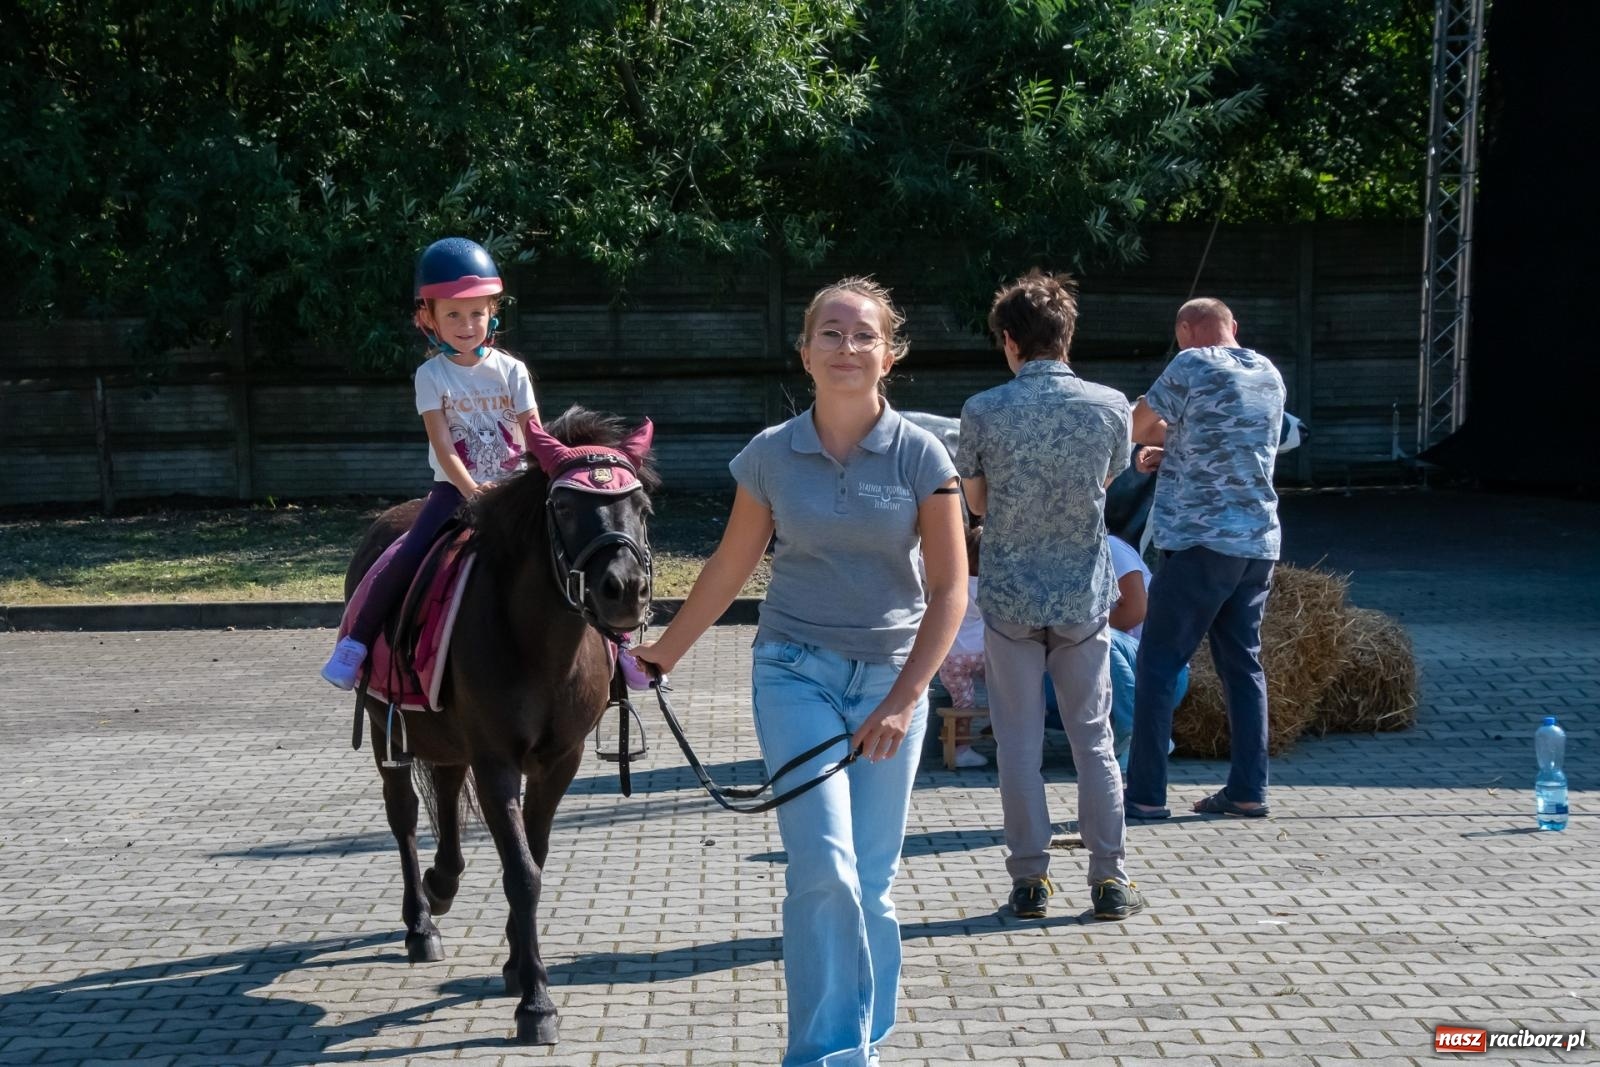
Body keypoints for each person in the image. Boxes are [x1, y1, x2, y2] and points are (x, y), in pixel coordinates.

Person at [632, 277, 965, 1067]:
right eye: (831, 333)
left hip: (892, 680)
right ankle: (826, 1057)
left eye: (863, 335)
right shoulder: (771, 455)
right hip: (794, 673)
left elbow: (952, 590)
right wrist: (661, 652)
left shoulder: (923, 453)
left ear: (891, 353)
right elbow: (729, 566)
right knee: (824, 867)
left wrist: (905, 697)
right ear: (805, 350)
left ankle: (865, 1039)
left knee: (872, 883)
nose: (847, 348)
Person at [956, 269, 1145, 923]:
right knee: (1093, 739)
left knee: (1017, 743)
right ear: (1067, 336)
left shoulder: (982, 410)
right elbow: (1110, 479)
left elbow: (975, 501)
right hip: (1083, 596)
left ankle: (1030, 880)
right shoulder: (1111, 405)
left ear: (1010, 341)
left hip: (1009, 595)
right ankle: (1109, 878)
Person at [319, 237, 539, 689]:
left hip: (516, 489)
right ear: (428, 318)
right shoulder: (431, 376)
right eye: (453, 314)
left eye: (477, 312)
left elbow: (534, 431)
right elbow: (443, 445)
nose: (467, 324)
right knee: (407, 553)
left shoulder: (512, 370)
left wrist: (549, 475)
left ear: (493, 312)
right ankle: (356, 643)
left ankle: (615, 652)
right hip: (455, 490)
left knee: (573, 550)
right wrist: (473, 491)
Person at [1123, 297, 1286, 820]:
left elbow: (1138, 425)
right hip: (1256, 543)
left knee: (1158, 663)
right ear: (1233, 327)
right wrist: (1175, 453)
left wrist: (1158, 440)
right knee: (1243, 667)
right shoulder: (1268, 372)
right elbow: (1235, 445)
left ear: (1186, 331)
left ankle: (1145, 795)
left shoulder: (1191, 363)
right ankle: (1247, 791)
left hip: (1198, 541)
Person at [936, 525, 990, 768]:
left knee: (963, 703)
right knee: (1004, 693)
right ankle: (1003, 731)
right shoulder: (991, 586)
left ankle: (962, 749)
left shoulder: (954, 580)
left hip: (952, 656)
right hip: (985, 654)